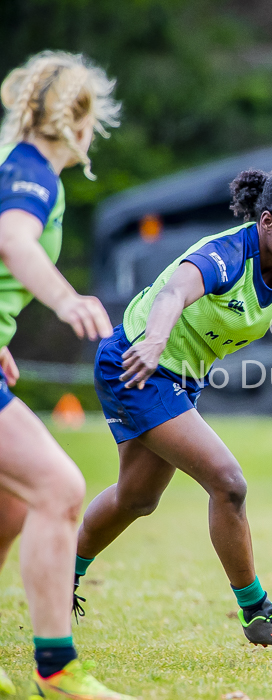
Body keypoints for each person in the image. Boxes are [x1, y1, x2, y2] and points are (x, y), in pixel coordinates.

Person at [73, 166, 272, 652]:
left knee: (137, 499)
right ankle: (256, 610)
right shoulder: (225, 255)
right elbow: (173, 292)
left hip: (178, 377)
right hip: (137, 365)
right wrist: (155, 340)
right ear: (266, 222)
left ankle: (59, 571)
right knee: (228, 483)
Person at [0, 50, 134, 699]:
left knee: (10, 504)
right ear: (79, 121)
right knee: (59, 487)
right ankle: (56, 668)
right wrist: (65, 299)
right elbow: (13, 241)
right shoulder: (31, 173)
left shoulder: (14, 166)